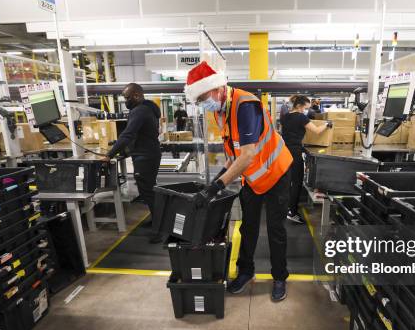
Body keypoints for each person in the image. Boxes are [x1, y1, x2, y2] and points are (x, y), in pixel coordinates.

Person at [184, 61, 293, 301]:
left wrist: (217, 186)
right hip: (253, 178)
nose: (204, 104)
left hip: (276, 172)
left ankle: (279, 277)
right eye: (200, 100)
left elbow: (247, 155)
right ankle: (246, 272)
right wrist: (212, 184)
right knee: (248, 228)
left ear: (218, 88)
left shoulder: (245, 105)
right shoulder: (219, 110)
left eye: (204, 97)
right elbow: (232, 156)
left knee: (275, 229)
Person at [103, 83, 162, 240]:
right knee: (148, 190)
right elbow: (137, 134)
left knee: (147, 192)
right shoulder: (148, 108)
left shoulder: (139, 111)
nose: (125, 101)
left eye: (127, 97)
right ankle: (157, 221)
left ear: (136, 95)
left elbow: (128, 135)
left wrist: (110, 154)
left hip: (145, 156)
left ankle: (160, 229)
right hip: (149, 153)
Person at [281, 95, 331, 224]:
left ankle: (286, 208)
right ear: (299, 106)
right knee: (297, 183)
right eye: (305, 108)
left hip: (284, 153)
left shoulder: (285, 117)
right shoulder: (301, 117)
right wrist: (326, 124)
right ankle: (292, 212)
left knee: (288, 182)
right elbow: (317, 131)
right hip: (295, 153)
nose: (305, 110)